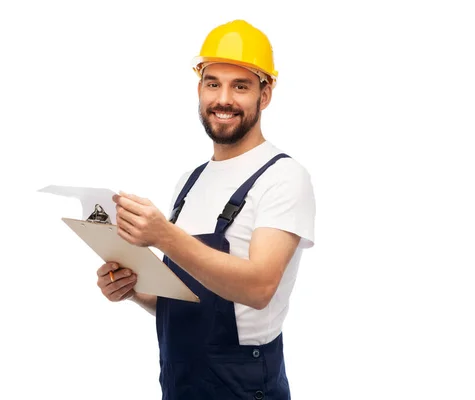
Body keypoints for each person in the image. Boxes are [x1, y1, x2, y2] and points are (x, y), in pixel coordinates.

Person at [96, 19, 316, 400]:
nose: (223, 99)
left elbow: (259, 287)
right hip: (180, 384)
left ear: (265, 95)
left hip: (244, 389)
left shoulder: (284, 177)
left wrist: (164, 235)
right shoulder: (190, 181)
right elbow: (188, 302)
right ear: (199, 89)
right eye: (213, 83)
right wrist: (134, 290)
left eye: (241, 86)